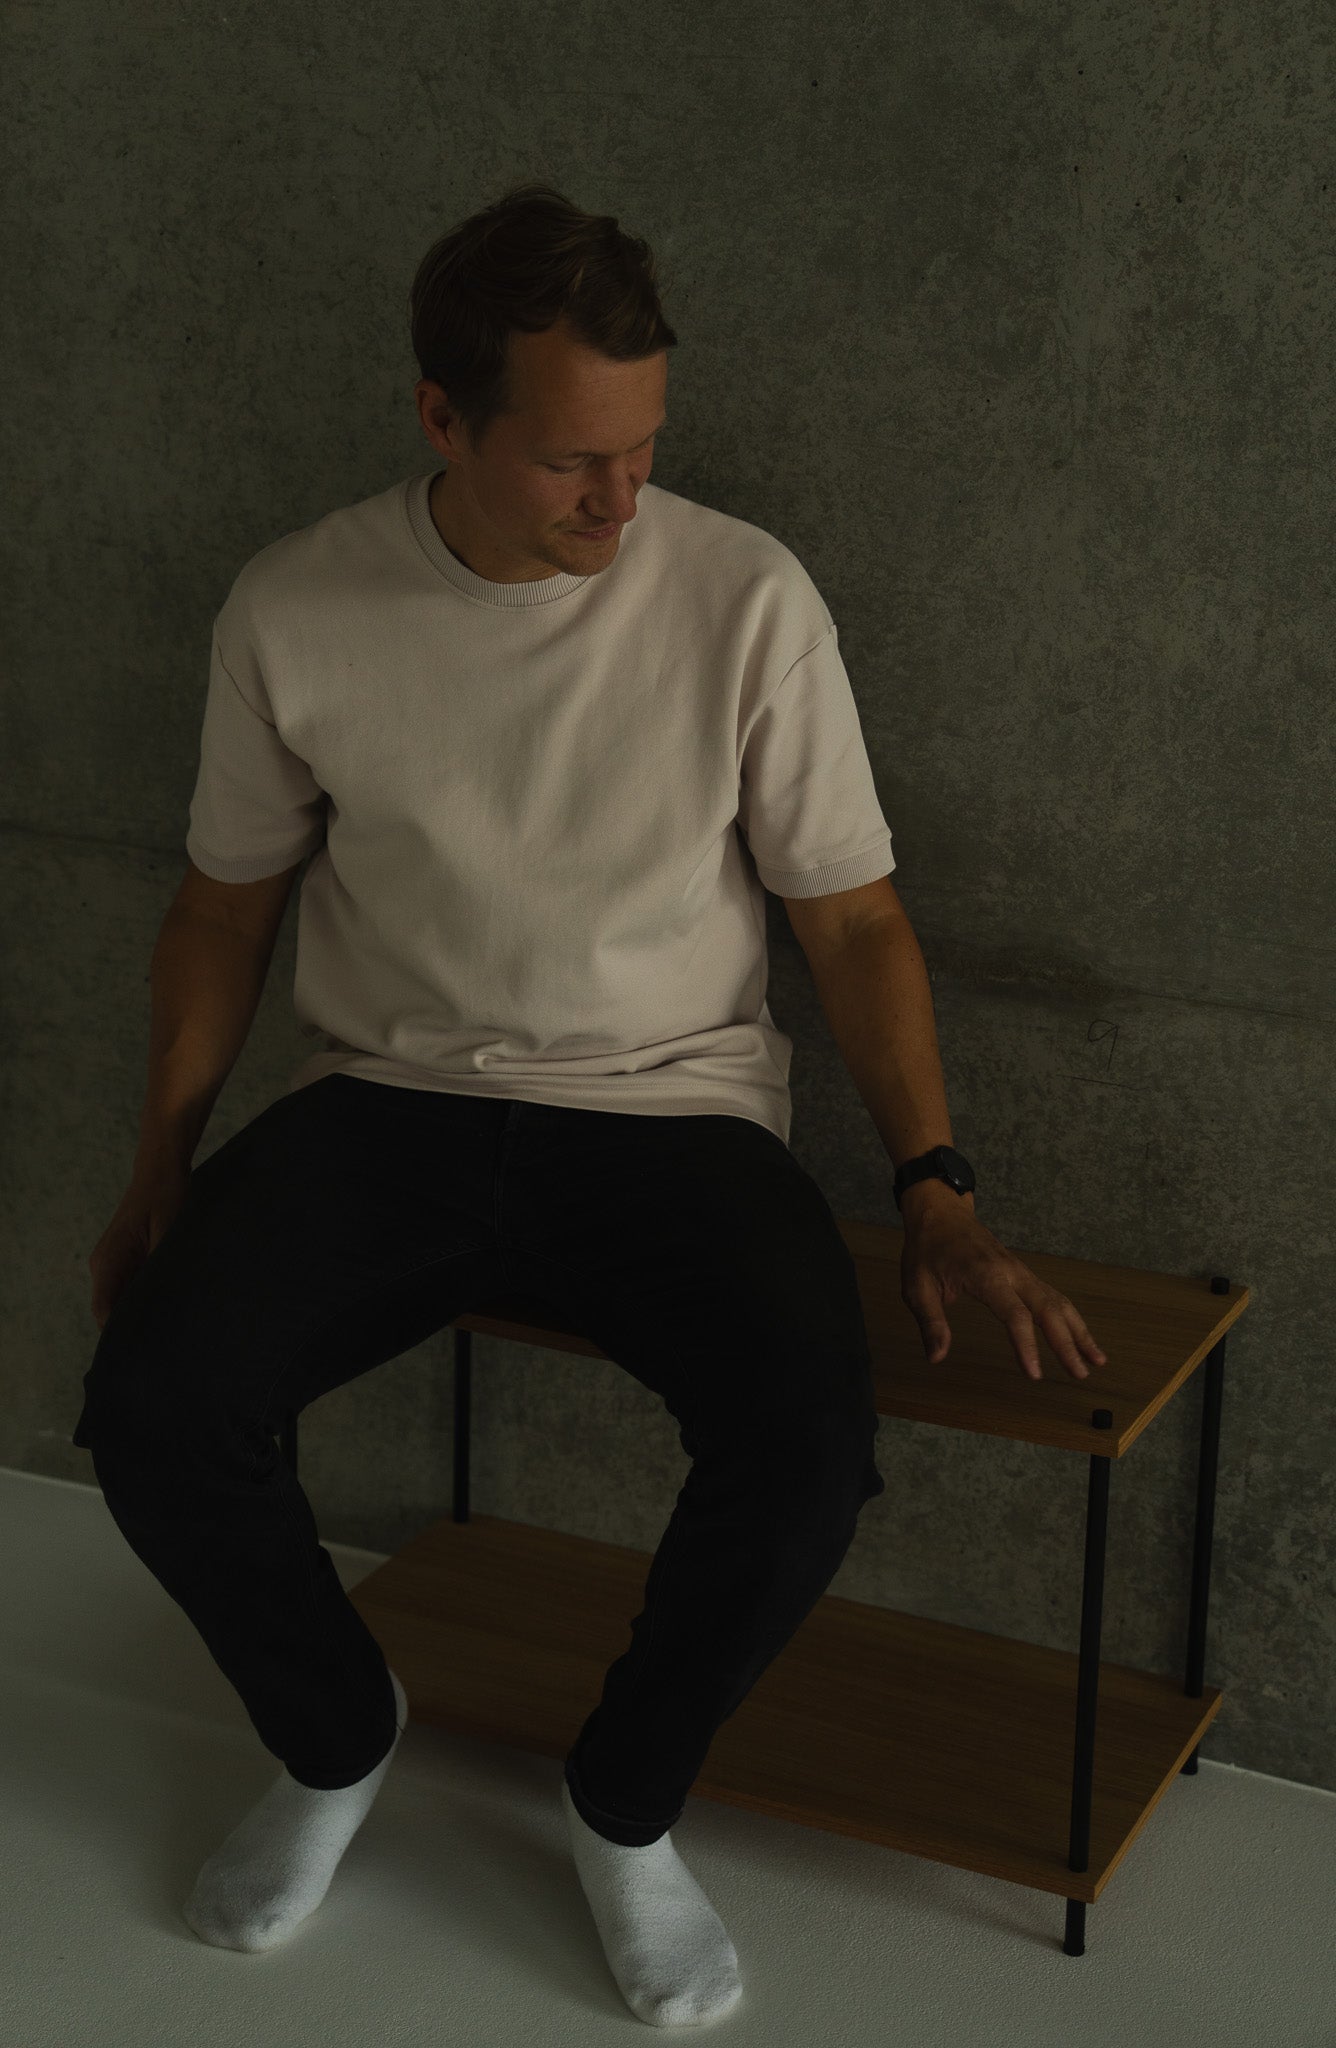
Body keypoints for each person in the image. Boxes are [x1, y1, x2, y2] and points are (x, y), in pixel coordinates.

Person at [76, 183, 899, 2029]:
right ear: (442, 418)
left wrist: (939, 1186)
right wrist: (158, 1169)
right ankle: (336, 1736)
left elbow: (851, 920)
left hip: (674, 1108)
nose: (623, 500)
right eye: (573, 461)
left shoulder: (745, 596)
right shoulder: (297, 603)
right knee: (152, 1405)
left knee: (806, 1443)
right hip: (392, 1098)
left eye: (645, 447)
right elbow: (222, 907)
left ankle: (622, 1809)